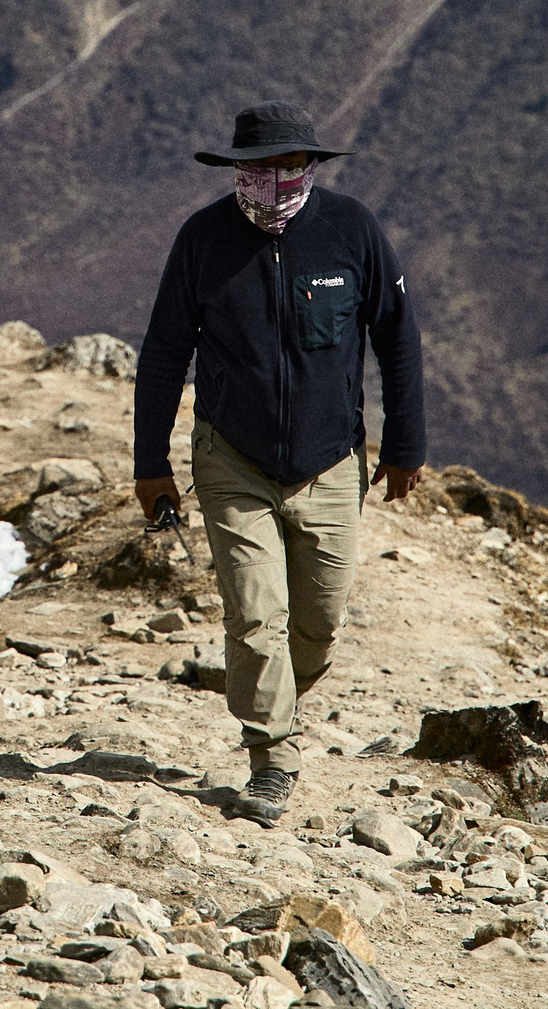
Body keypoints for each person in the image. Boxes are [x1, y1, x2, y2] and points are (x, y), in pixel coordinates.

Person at [132, 100, 425, 827]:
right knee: (256, 617)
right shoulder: (202, 241)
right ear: (238, 171)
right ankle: (272, 756)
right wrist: (150, 462)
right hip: (232, 457)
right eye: (260, 168)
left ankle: (271, 694)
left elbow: (397, 337)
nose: (277, 180)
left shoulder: (351, 230)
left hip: (332, 463)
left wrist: (406, 445)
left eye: (292, 165)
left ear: (311, 167)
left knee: (318, 623)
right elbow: (165, 352)